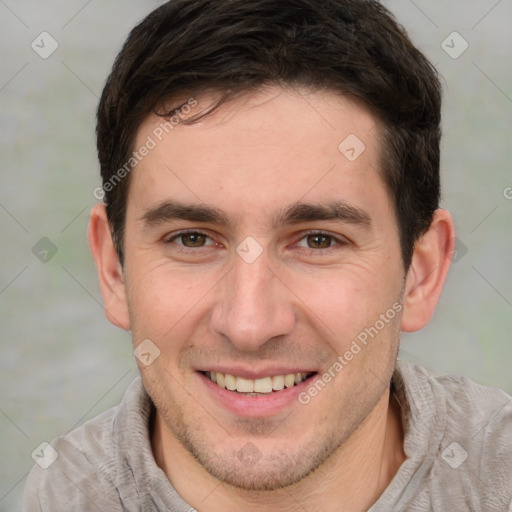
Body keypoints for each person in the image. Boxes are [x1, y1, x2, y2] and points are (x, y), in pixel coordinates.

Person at [22, 0, 512, 510]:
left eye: (318, 240)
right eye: (192, 239)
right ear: (113, 268)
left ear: (421, 274)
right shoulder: (64, 495)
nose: (249, 324)